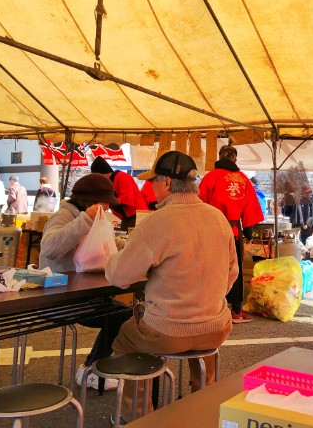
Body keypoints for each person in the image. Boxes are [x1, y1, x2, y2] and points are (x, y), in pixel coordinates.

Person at [105, 151, 237, 422]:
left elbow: (119, 276)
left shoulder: (158, 222)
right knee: (204, 336)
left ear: (166, 183)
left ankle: (139, 418)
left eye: (153, 181)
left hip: (167, 331)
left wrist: (113, 256)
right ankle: (204, 403)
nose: (150, 187)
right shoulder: (218, 218)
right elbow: (231, 273)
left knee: (125, 341)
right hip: (215, 328)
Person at [39, 174, 129, 390]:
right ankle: (92, 370)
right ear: (90, 201)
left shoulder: (94, 218)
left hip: (85, 294)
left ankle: (92, 369)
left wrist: (133, 244)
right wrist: (85, 220)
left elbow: (109, 243)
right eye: (105, 202)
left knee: (122, 314)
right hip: (59, 297)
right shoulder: (63, 216)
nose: (107, 208)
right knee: (119, 315)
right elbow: (49, 248)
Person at [199, 143, 264, 323]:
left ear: (219, 157)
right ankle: (235, 311)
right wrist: (249, 233)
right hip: (233, 231)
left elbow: (199, 203)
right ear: (235, 159)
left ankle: (210, 309)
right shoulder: (243, 179)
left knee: (210, 268)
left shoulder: (209, 177)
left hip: (210, 230)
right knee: (234, 270)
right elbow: (251, 207)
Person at [90, 156, 148, 230]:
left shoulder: (122, 177)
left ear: (101, 173)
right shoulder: (108, 182)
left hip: (137, 216)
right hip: (126, 217)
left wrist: (108, 203)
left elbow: (127, 198)